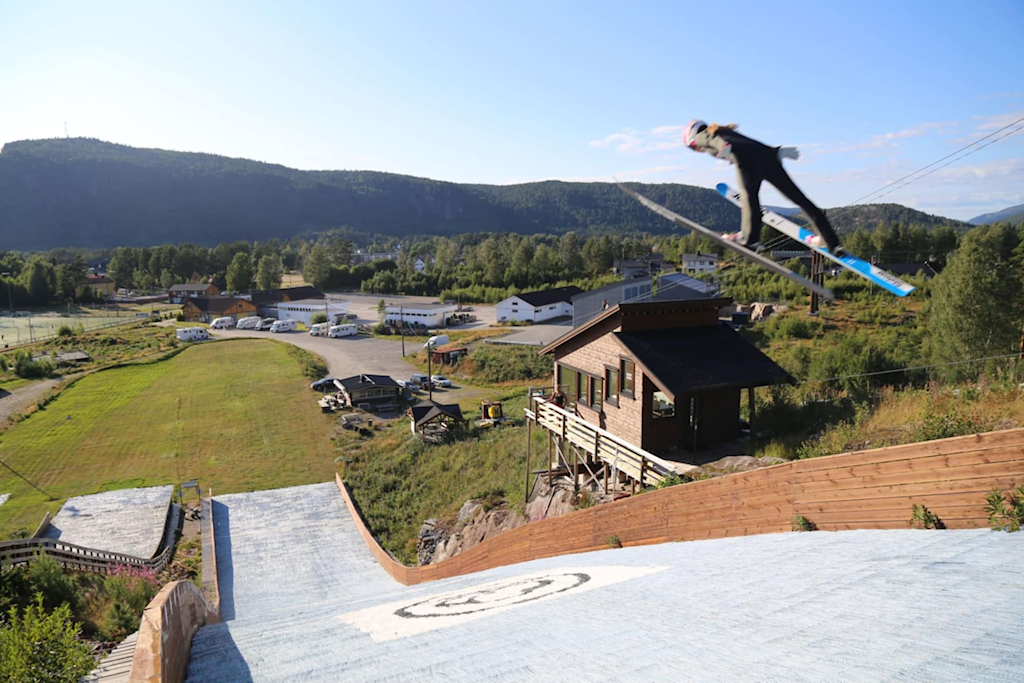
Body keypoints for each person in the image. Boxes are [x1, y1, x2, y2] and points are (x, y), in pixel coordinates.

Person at [683, 120, 843, 256]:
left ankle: (750, 239)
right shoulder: (728, 131)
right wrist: (777, 152)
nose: (698, 150)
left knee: (749, 198)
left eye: (693, 148)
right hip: (768, 158)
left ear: (692, 136)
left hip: (747, 161)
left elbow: (711, 140)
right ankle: (831, 242)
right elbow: (755, 145)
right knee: (800, 199)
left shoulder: (703, 135)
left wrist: (723, 146)